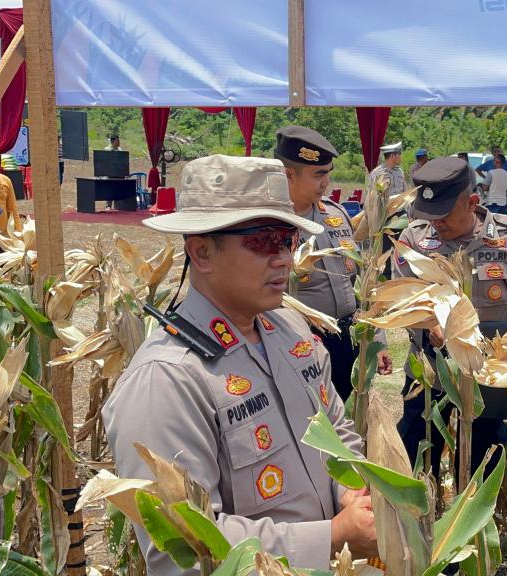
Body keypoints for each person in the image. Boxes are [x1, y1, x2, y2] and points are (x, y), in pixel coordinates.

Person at [103, 155, 377, 574]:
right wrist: (334, 535)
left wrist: (351, 490)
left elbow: (336, 429)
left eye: (287, 240)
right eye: (264, 242)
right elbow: (184, 544)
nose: (284, 258)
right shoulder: (166, 380)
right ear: (202, 252)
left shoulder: (290, 330)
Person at [393, 156, 507, 477]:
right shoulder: (412, 238)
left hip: (489, 373)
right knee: (418, 452)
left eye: (444, 214)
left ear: (473, 202)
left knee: (485, 457)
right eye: (429, 214)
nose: (435, 222)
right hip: (430, 367)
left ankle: (479, 521)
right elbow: (403, 298)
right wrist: (429, 321)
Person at [274, 126, 392, 400]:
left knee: (349, 421)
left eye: (327, 172)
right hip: (299, 343)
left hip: (347, 340)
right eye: (318, 175)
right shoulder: (270, 225)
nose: (326, 182)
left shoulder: (336, 215)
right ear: (288, 175)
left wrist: (377, 342)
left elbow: (362, 285)